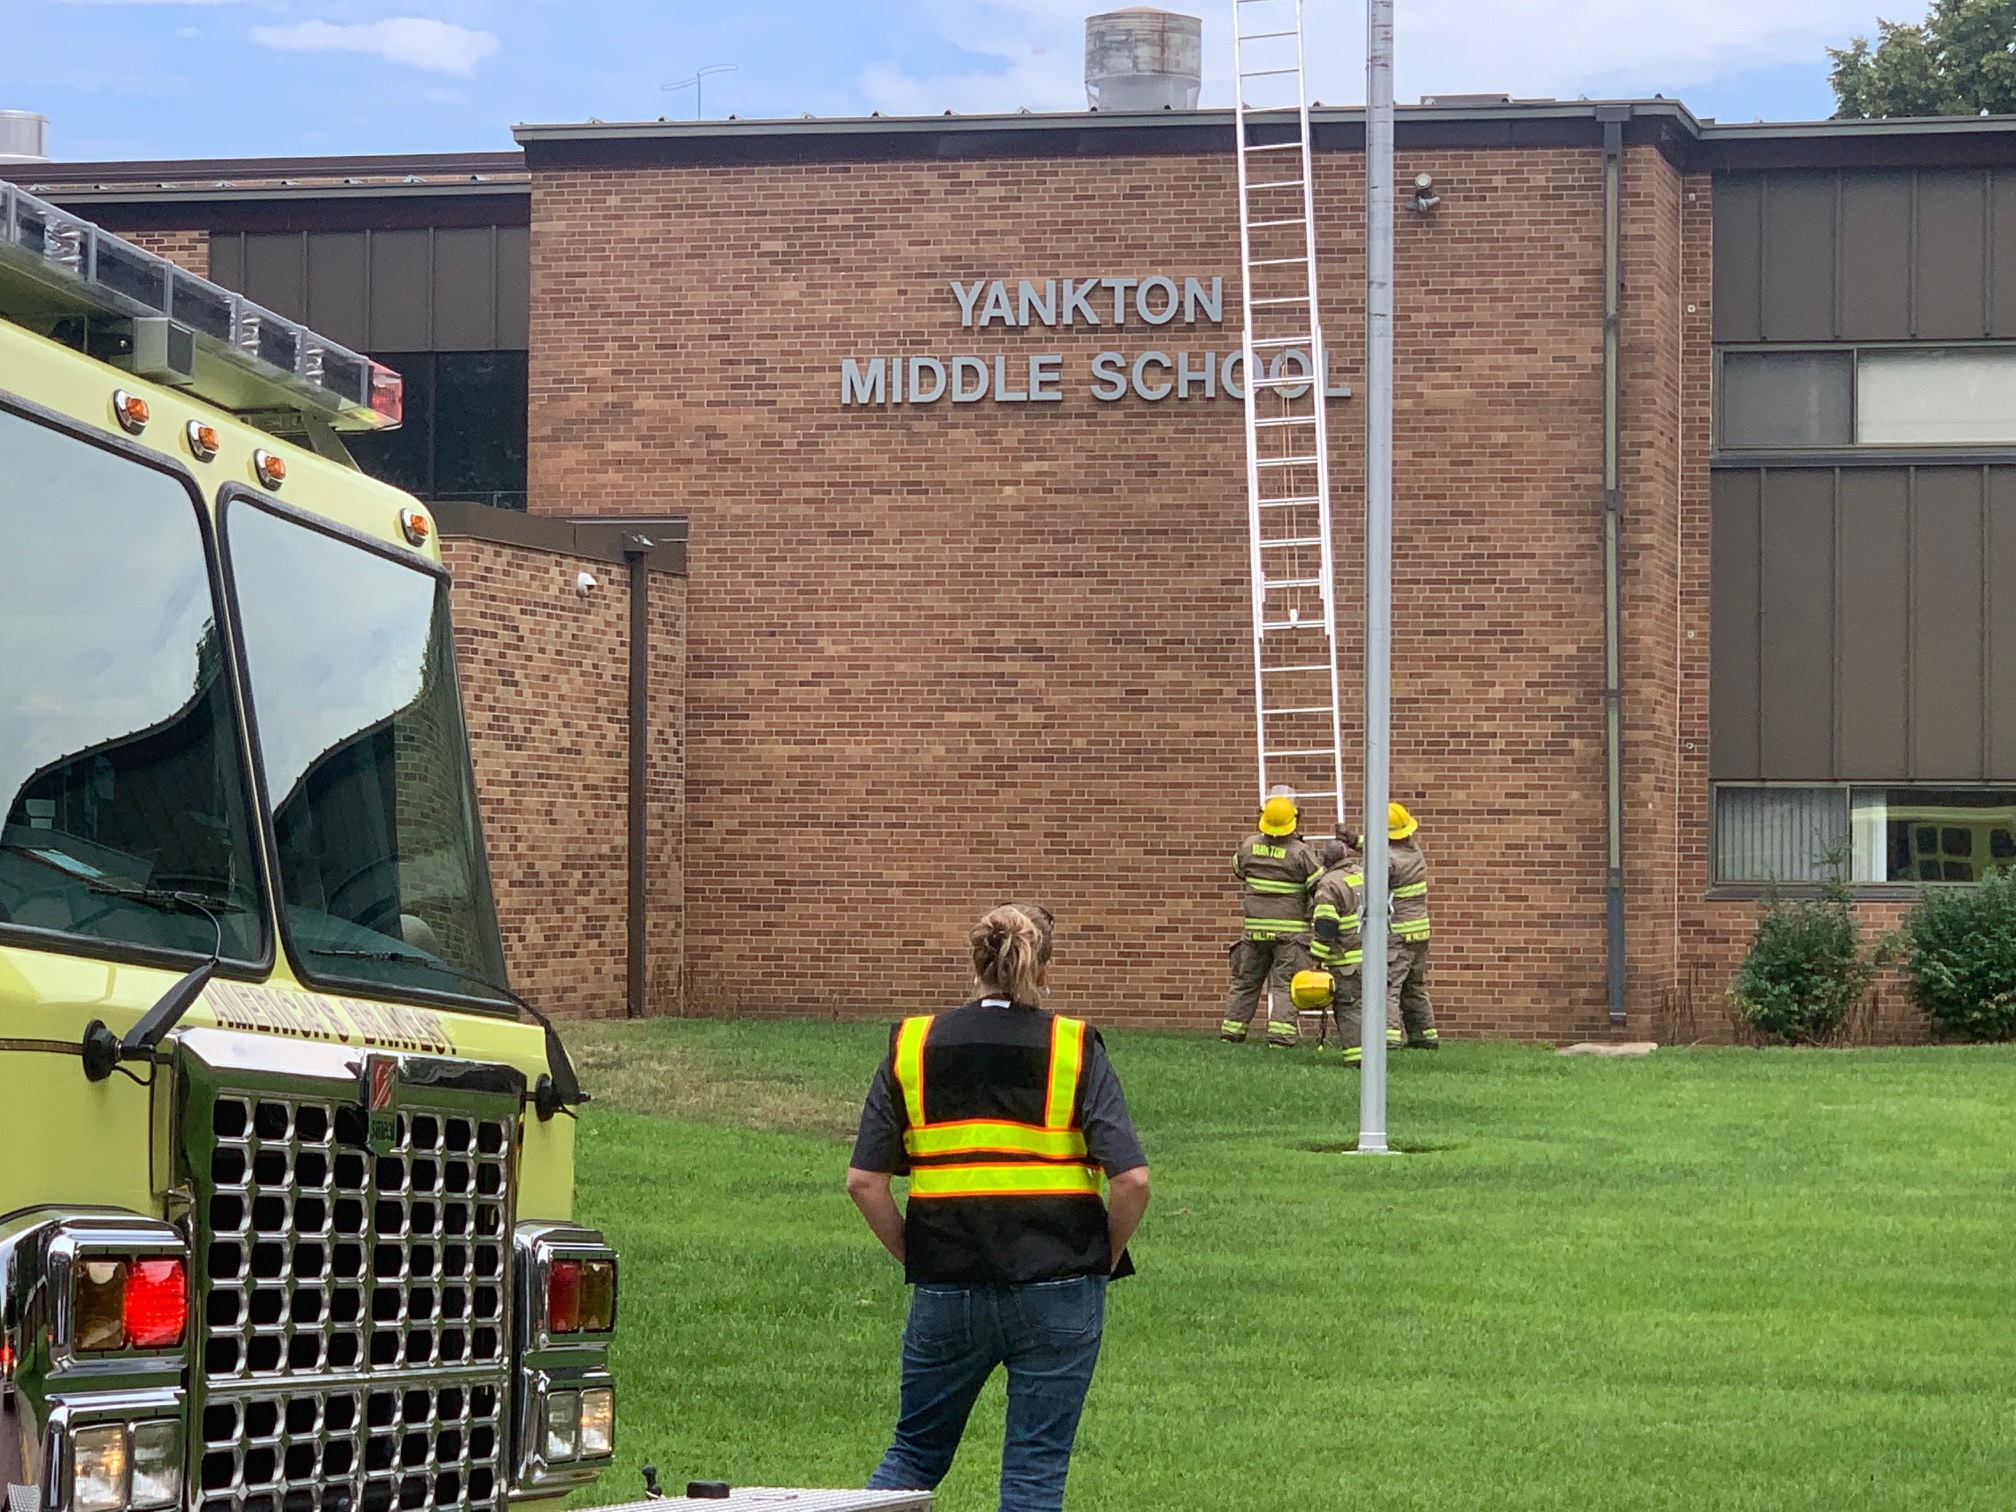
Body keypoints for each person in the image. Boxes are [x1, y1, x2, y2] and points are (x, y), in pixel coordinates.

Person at [847, 903, 1151, 1512]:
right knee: (1036, 1472)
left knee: (912, 1456)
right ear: (1044, 967)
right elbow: (1133, 1182)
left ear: (974, 960)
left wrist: (919, 1255)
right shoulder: (1073, 1044)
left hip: (947, 1284)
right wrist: (1101, 1256)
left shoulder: (913, 1043)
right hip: (1060, 1282)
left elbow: (864, 1182)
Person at [1221, 789, 1322, 1047]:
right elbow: (1319, 887)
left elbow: (1238, 869)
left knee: (1245, 983)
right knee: (1285, 985)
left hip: (1254, 931)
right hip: (1289, 935)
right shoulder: (1301, 853)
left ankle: (1231, 1033)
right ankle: (1280, 1036)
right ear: (1294, 820)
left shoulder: (1248, 846)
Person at [1310, 835, 1396, 1065]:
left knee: (1350, 1009)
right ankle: (1378, 1057)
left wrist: (1316, 958)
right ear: (1346, 856)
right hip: (1377, 958)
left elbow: (1326, 926)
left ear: (1324, 862)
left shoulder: (1329, 884)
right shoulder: (1364, 875)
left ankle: (1357, 1059)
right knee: (1374, 1007)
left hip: (1348, 962)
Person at [1385, 803, 1439, 1049]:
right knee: (1414, 986)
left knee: (1389, 986)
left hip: (1398, 933)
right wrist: (1356, 841)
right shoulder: (1414, 851)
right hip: (1419, 931)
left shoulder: (1385, 860)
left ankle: (1388, 1039)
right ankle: (1424, 1037)